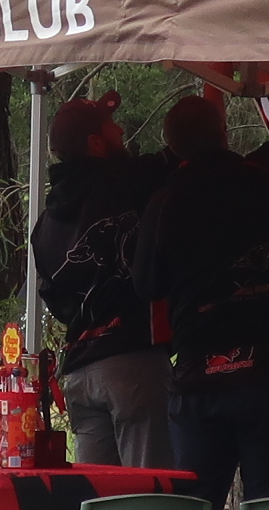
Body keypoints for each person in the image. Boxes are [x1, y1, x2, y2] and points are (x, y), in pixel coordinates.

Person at [130, 88, 269, 510]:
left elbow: (146, 285)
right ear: (225, 132)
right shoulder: (266, 176)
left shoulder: (165, 202)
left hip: (200, 382)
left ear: (173, 148)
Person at [28, 92, 175, 469]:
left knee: (99, 495)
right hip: (133, 361)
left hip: (80, 370)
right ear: (96, 143)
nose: (121, 130)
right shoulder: (128, 180)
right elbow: (188, 149)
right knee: (149, 491)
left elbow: (53, 296)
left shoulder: (45, 224)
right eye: (112, 127)